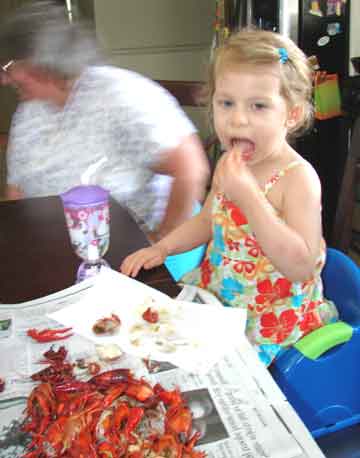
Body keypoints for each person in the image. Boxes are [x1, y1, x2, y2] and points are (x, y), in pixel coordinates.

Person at [121, 29, 339, 366]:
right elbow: (207, 221)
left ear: (291, 114)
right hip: (220, 299)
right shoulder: (228, 164)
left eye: (258, 105)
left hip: (271, 320)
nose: (237, 118)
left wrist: (250, 198)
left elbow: (300, 266)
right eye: (226, 103)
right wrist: (162, 247)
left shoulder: (298, 178)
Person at [0, 1, 210, 240]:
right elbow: (15, 194)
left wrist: (160, 243)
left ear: (41, 62)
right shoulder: (28, 111)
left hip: (126, 247)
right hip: (54, 246)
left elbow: (191, 169)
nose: (4, 80)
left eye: (9, 67)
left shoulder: (120, 95)